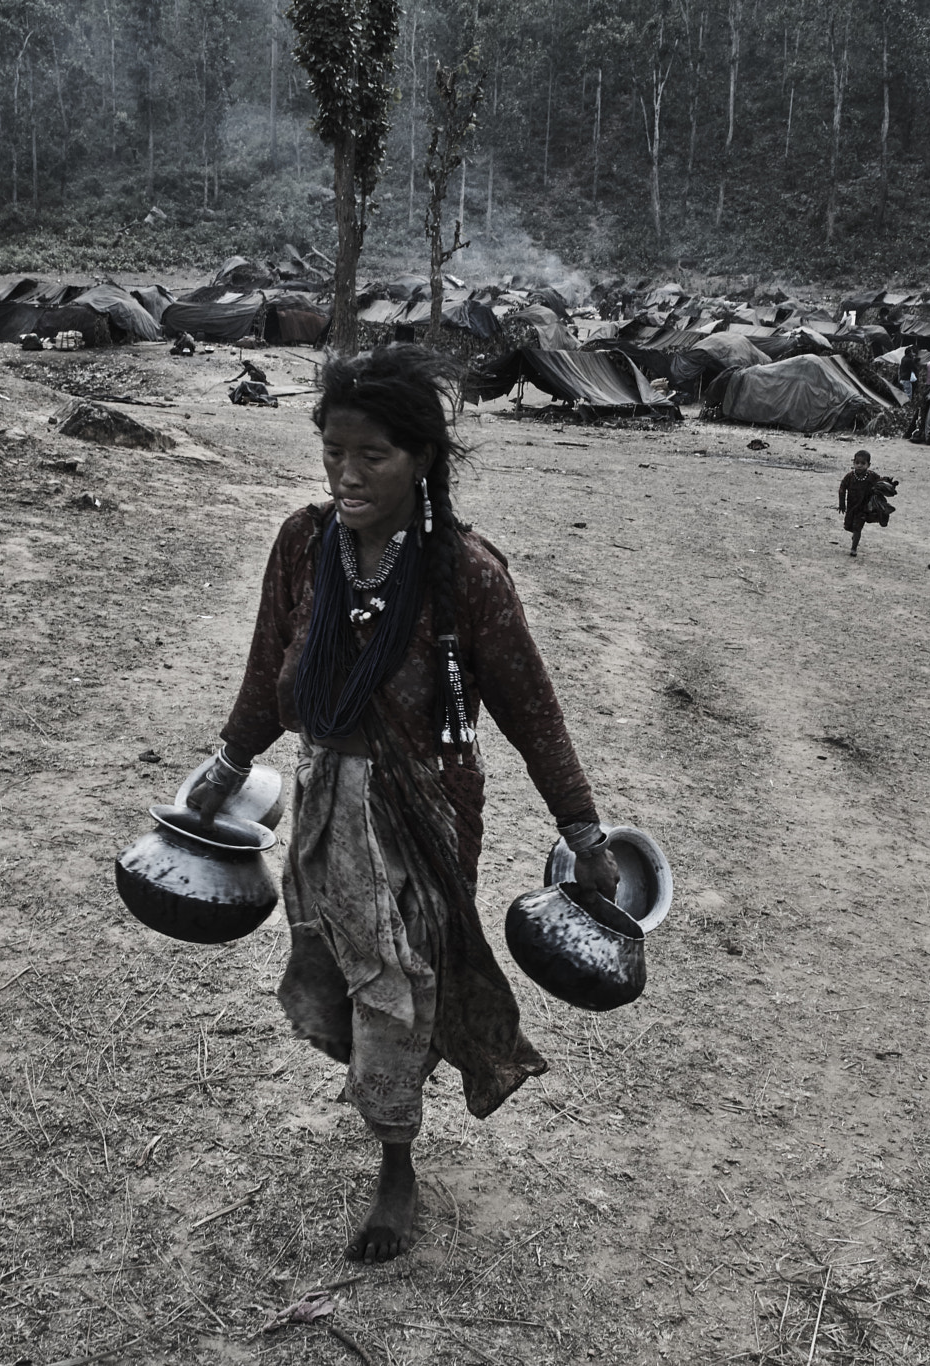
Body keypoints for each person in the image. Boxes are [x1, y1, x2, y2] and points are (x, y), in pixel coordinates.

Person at [183, 344, 619, 1264]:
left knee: (405, 982)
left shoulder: (466, 575)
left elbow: (533, 712)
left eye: (371, 455)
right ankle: (389, 1101)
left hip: (424, 811)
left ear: (420, 458)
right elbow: (270, 672)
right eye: (333, 451)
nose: (346, 474)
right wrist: (228, 763)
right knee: (349, 973)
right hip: (319, 804)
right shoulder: (303, 546)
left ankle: (396, 1161)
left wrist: (581, 827)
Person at [836, 449, 897, 555]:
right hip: (851, 506)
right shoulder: (849, 477)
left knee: (858, 527)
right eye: (857, 463)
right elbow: (842, 488)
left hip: (864, 507)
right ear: (853, 463)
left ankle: (853, 548)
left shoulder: (872, 476)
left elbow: (881, 483)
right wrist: (842, 504)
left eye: (863, 463)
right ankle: (855, 534)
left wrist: (889, 485)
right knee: (848, 526)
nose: (859, 466)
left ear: (869, 465)